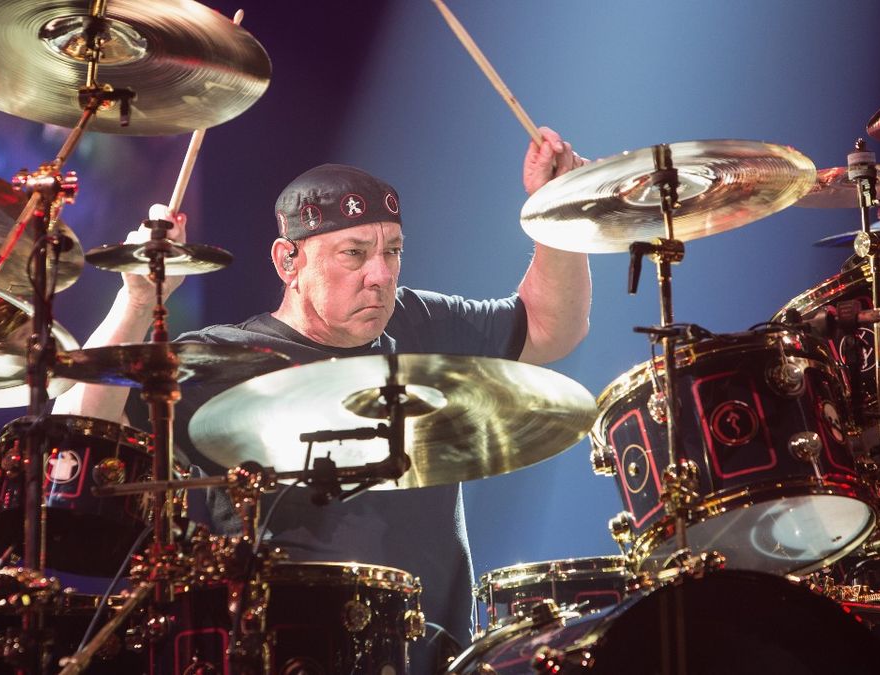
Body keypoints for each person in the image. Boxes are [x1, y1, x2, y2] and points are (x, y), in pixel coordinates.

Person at [52, 126, 591, 671]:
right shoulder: (216, 356)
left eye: (393, 252)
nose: (380, 276)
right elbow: (74, 436)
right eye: (354, 254)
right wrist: (138, 300)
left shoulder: (421, 324)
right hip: (276, 652)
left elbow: (551, 328)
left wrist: (557, 211)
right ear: (289, 262)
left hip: (433, 653)